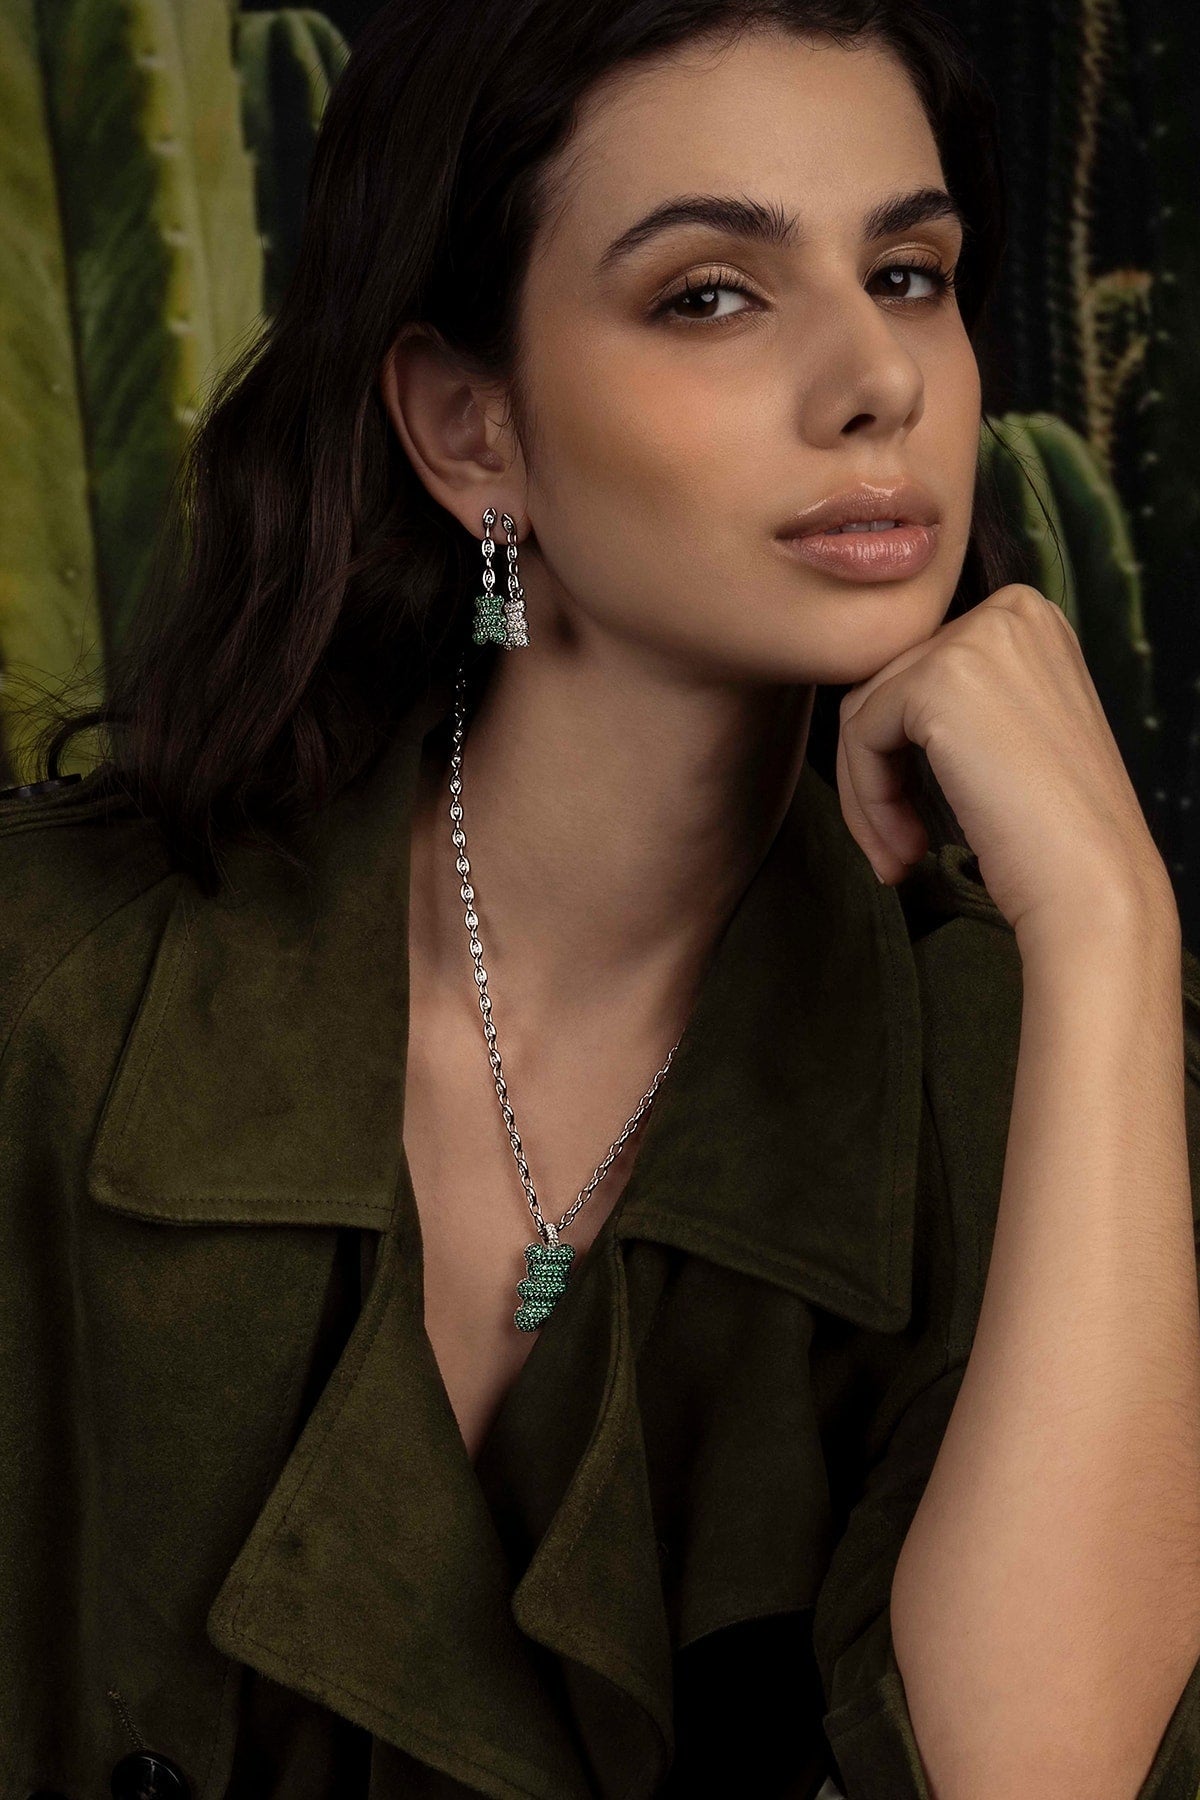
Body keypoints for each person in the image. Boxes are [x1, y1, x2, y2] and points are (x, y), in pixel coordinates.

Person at [3, 1, 1200, 1796]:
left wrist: (1114, 930)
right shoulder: (56, 980)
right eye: (711, 292)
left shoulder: (1025, 1061)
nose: (875, 379)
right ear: (469, 428)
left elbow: (1031, 1771)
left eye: (909, 272)